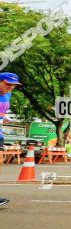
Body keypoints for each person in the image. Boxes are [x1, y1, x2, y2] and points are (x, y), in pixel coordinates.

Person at [0, 73, 23, 206]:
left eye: (13, 85)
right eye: (7, 84)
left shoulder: (8, 95)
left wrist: (6, 118)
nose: (10, 87)